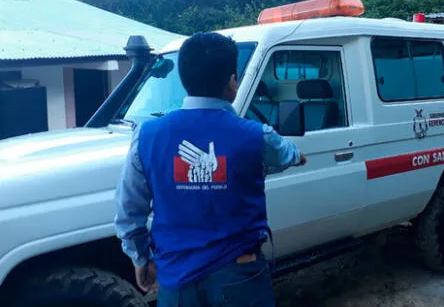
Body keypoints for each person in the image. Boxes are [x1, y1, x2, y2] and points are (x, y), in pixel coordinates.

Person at [114, 31, 306, 307]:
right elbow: (287, 154)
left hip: (175, 279)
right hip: (240, 276)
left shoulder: (147, 135)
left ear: (183, 79)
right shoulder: (257, 135)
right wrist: (299, 156)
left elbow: (128, 209)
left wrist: (140, 258)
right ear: (232, 81)